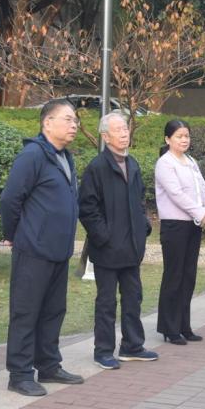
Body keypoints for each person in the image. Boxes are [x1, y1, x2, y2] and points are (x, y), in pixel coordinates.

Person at [1, 99, 86, 396]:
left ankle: (48, 365)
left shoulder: (65, 157)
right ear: (47, 123)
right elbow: (11, 200)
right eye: (68, 119)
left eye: (75, 120)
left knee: (53, 310)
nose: (74, 125)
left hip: (58, 249)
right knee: (26, 312)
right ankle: (20, 374)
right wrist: (15, 234)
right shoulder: (32, 155)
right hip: (33, 249)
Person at [79, 112, 158, 370]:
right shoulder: (97, 167)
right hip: (107, 249)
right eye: (118, 130)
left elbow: (140, 200)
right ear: (105, 136)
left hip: (132, 246)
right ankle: (103, 351)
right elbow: (87, 208)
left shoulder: (132, 164)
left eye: (125, 128)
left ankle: (132, 346)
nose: (124, 133)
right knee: (106, 302)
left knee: (133, 297)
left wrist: (143, 226)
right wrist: (104, 236)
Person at [155, 119, 205, 344]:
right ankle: (169, 328)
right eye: (179, 136)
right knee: (174, 276)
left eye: (187, 136)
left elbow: (203, 188)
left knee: (188, 275)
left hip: (193, 225)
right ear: (168, 139)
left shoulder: (191, 161)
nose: (184, 140)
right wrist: (200, 213)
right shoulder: (165, 163)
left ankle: (184, 325)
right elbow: (176, 194)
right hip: (175, 226)